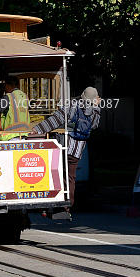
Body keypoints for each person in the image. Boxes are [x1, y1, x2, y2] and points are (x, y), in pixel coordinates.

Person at [31, 86, 100, 217]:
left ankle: (50, 203)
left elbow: (55, 120)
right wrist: (96, 106)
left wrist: (37, 129)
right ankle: (67, 206)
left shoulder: (72, 105)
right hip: (78, 150)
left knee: (55, 173)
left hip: (64, 146)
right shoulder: (95, 111)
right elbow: (94, 125)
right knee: (71, 177)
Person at [0, 76, 31, 141]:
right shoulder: (25, 96)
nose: (4, 88)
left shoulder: (9, 97)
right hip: (23, 134)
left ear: (9, 85)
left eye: (5, 86)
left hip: (11, 135)